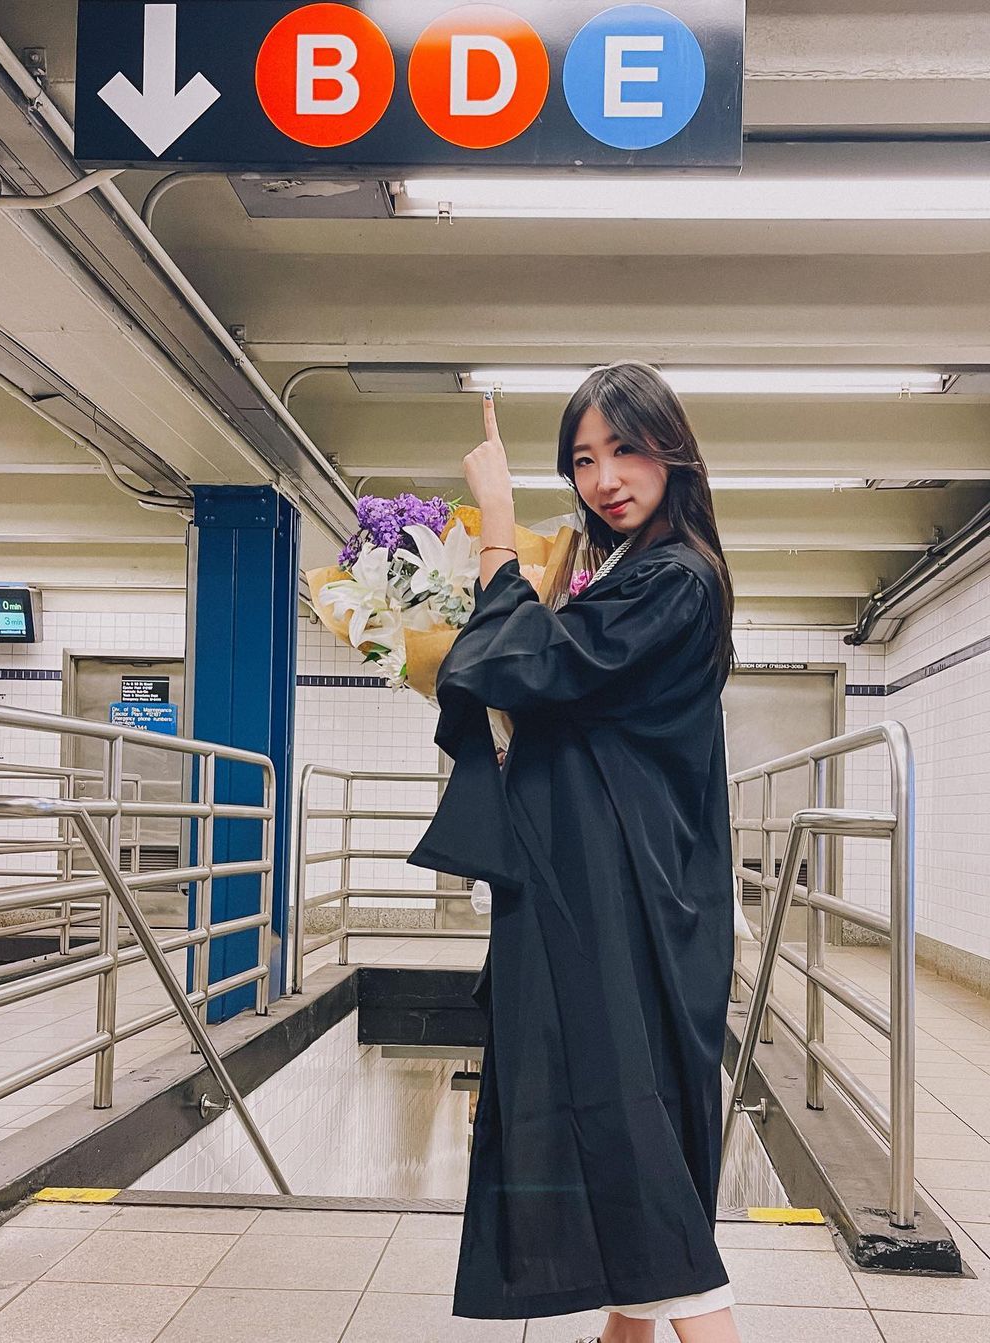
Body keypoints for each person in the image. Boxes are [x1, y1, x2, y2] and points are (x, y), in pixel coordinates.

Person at [408, 361, 740, 1342]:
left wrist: (498, 526)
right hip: (610, 884)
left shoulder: (674, 578)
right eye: (584, 460)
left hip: (618, 897)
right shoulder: (639, 571)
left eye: (625, 449)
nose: (605, 478)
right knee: (630, 1118)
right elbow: (558, 685)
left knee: (630, 1129)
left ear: (673, 450)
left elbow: (533, 663)